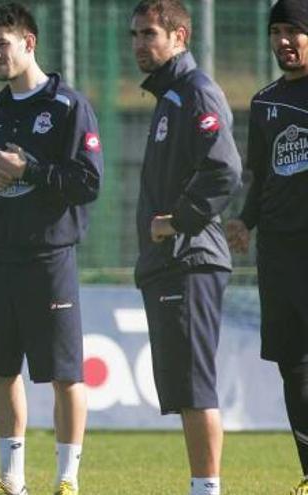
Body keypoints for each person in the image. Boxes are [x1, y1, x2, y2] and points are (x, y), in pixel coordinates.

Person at [0, 3, 103, 495]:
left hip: (50, 257)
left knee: (64, 375)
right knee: (1, 371)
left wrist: (31, 172)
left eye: (3, 43)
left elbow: (88, 182)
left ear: (29, 42)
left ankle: (67, 480)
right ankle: (11, 480)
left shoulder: (67, 106)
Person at [130, 1, 241, 494]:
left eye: (149, 34)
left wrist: (179, 221)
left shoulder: (196, 92)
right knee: (183, 388)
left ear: (179, 37)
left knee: (195, 388)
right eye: (134, 34)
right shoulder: (170, 96)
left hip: (191, 260)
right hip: (171, 262)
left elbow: (225, 169)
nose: (138, 44)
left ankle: (207, 490)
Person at [225, 1, 308, 493]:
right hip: (277, 254)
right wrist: (245, 221)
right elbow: (262, 176)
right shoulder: (264, 103)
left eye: (293, 31)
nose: (283, 41)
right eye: (276, 31)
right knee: (293, 366)